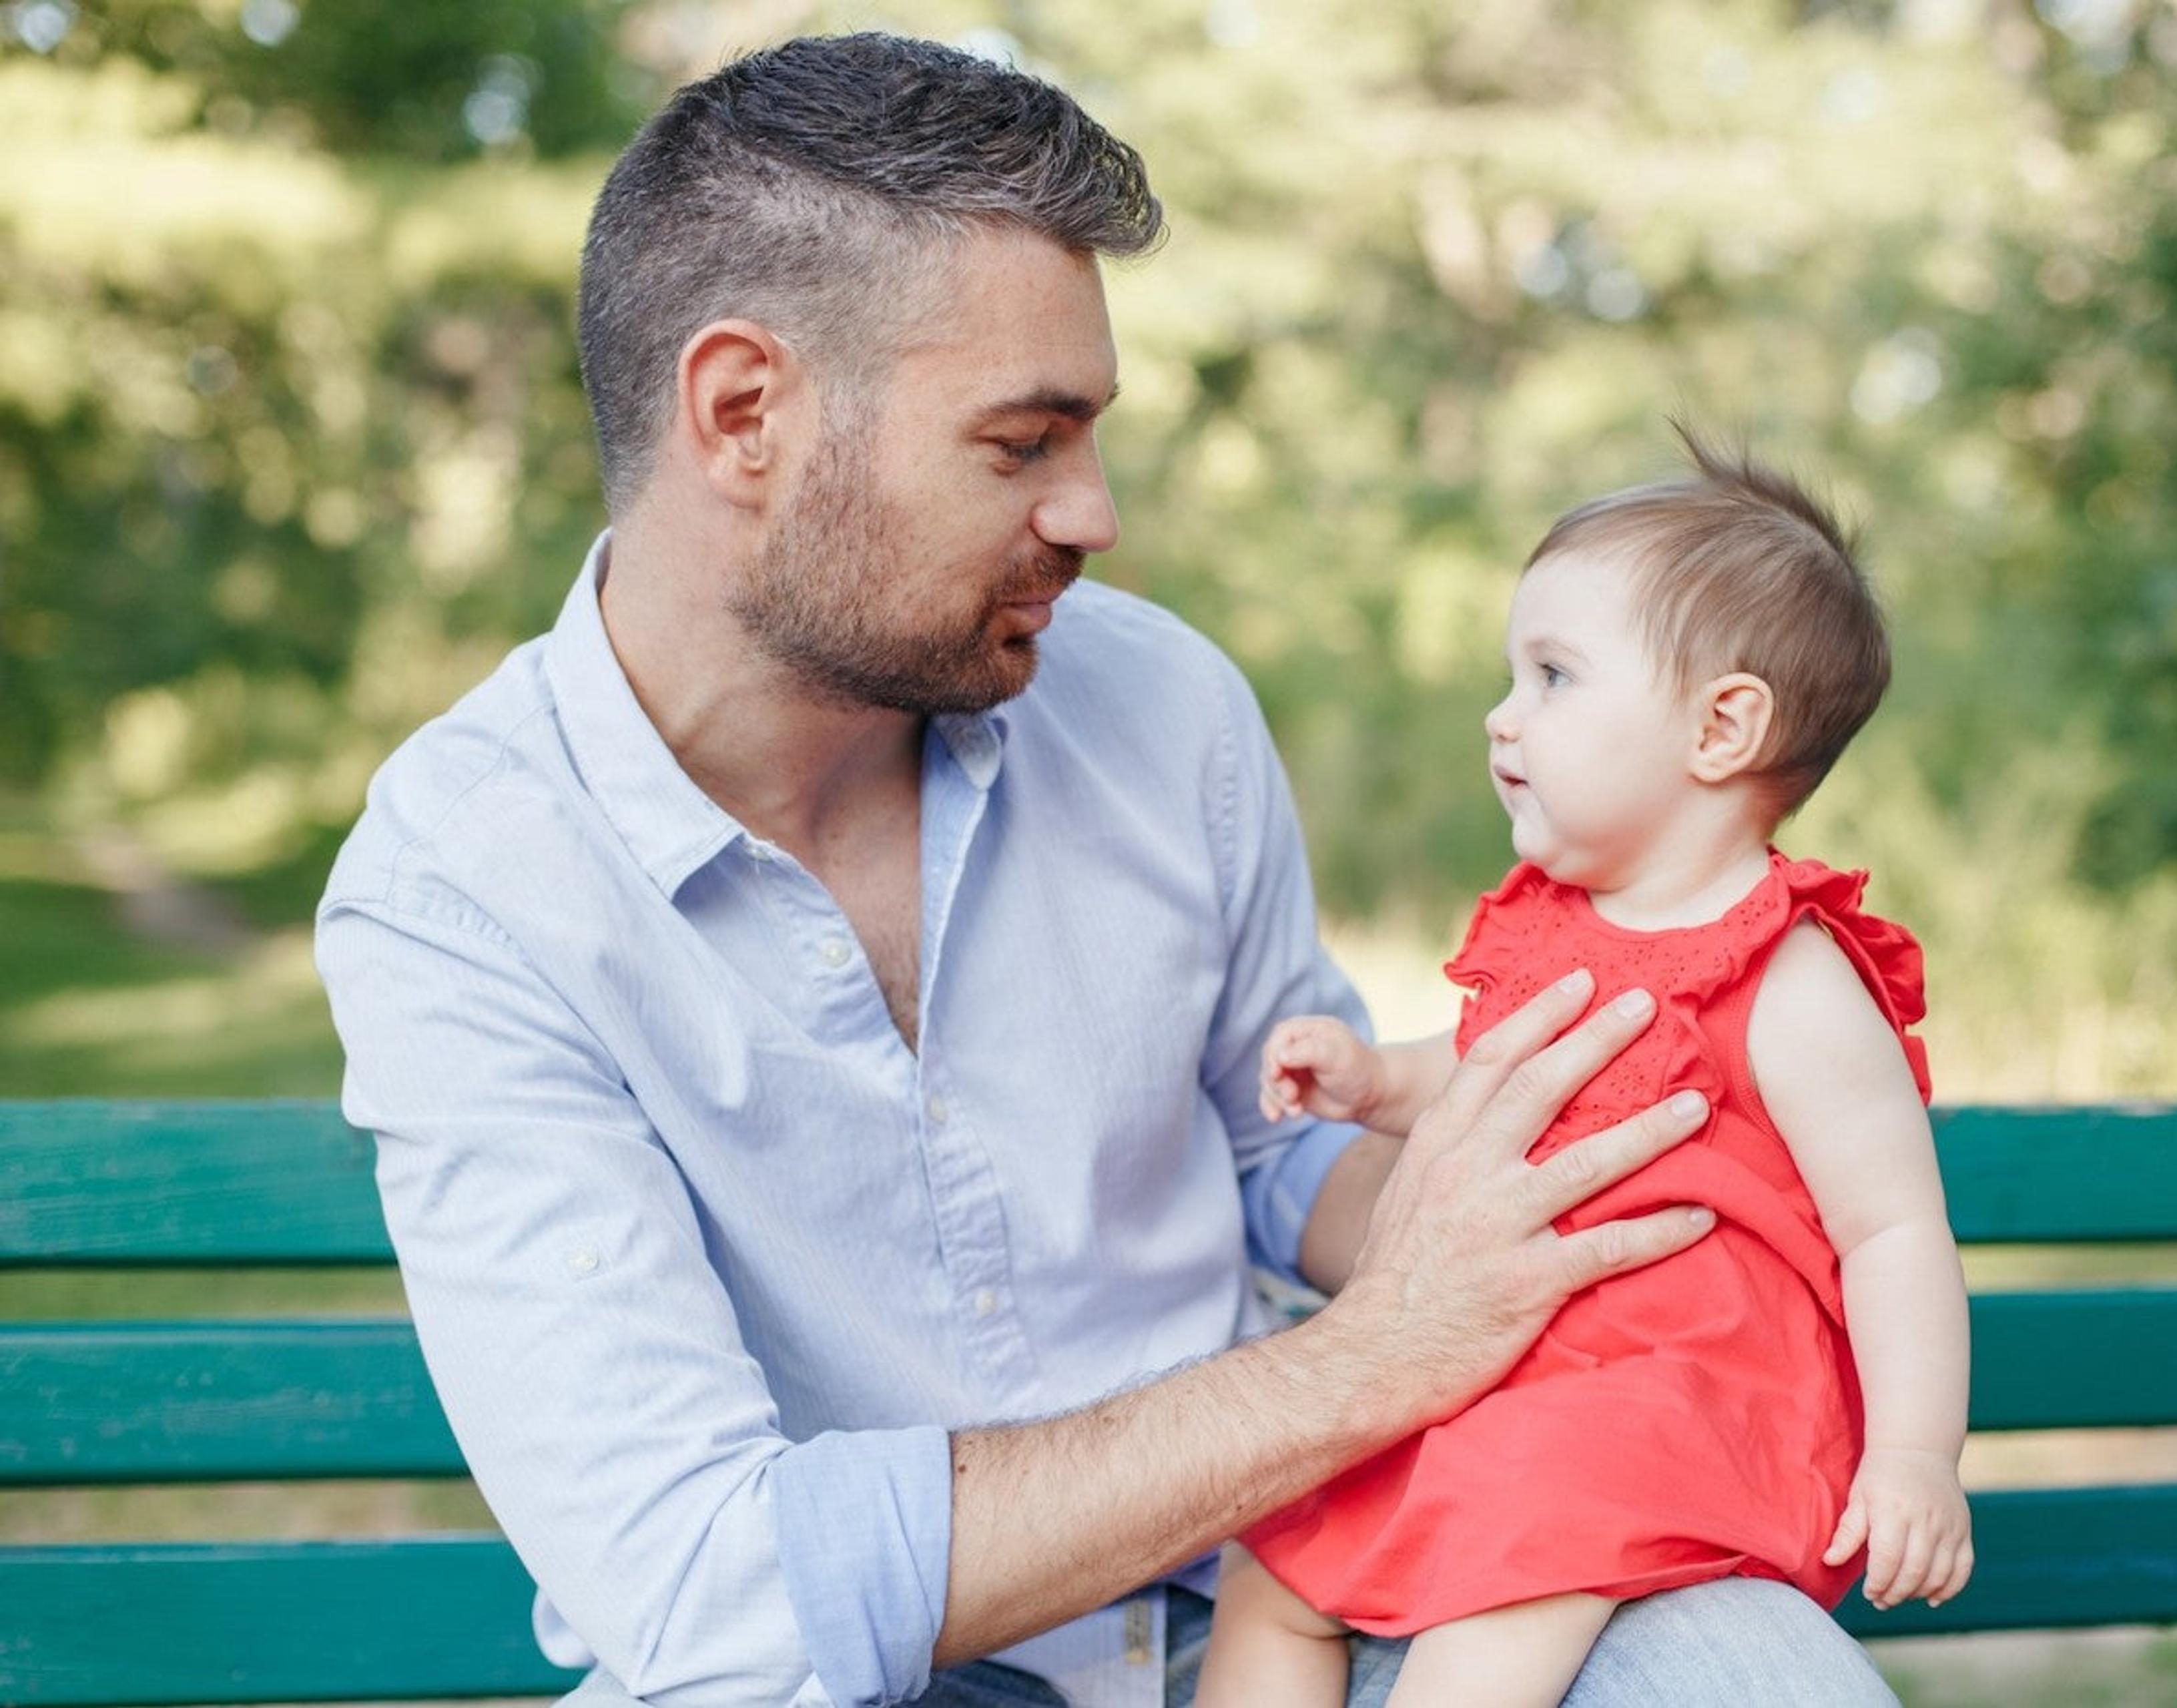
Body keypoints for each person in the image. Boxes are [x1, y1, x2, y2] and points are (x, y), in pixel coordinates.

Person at [312, 33, 1902, 1707]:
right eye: (1024, 442)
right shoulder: (466, 893)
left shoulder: (1160, 703)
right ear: (743, 413)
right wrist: (1364, 1363)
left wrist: (1549, 1186)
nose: (1096, 511)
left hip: (1302, 1608)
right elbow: (712, 1582)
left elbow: (1280, 1165)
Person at [1196, 431, 1973, 1707]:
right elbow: (1485, 1072)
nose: (1503, 716)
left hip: (1663, 1400)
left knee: (1491, 1629)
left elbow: (1892, 1230)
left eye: (1554, 676)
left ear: (1723, 727)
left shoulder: (1791, 980)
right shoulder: (1555, 920)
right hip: (1499, 1366)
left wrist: (1916, 1456)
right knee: (1274, 1577)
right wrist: (1370, 1083)